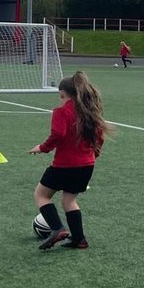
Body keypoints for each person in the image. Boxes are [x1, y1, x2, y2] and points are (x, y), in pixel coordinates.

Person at [29, 71, 110, 250]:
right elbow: (100, 137)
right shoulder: (90, 113)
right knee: (69, 200)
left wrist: (42, 148)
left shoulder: (61, 112)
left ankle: (57, 228)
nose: (60, 100)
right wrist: (92, 154)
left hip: (65, 165)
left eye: (61, 96)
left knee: (41, 195)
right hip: (87, 165)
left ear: (65, 94)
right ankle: (79, 240)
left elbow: (58, 133)